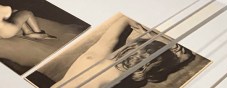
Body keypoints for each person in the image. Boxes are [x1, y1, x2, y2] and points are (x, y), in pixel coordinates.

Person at [53, 14, 195, 87]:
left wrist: (128, 19)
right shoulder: (115, 78)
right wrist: (181, 56)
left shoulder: (94, 57)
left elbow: (120, 23)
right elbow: (155, 76)